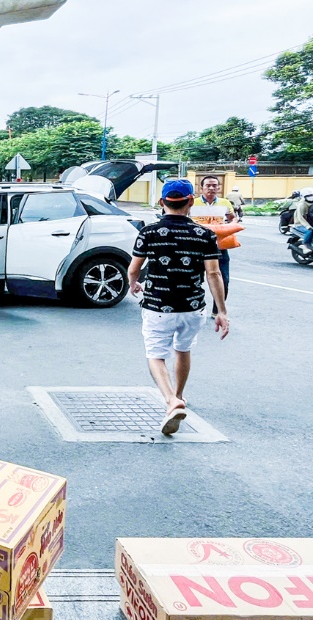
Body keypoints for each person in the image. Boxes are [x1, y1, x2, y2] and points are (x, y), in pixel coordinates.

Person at [128, 179, 229, 436]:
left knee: (156, 355)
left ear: (162, 203)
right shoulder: (205, 235)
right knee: (183, 349)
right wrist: (222, 312)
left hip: (158, 306)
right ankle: (180, 394)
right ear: (191, 203)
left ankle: (171, 400)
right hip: (192, 307)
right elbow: (214, 274)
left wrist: (133, 284)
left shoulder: (148, 232)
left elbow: (134, 269)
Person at [193, 175, 238, 316]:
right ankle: (194, 308)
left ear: (218, 188)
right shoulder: (192, 203)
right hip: (196, 248)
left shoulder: (225, 203)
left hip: (219, 247)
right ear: (201, 188)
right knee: (194, 280)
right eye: (208, 185)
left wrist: (230, 226)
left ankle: (217, 311)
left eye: (214, 185)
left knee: (223, 280)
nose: (211, 188)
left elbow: (233, 218)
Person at [295, 187, 313, 253]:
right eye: (308, 196)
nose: (310, 197)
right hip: (300, 224)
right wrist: (307, 226)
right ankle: (305, 245)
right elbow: (300, 218)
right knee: (310, 231)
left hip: (312, 223)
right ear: (304, 197)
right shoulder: (302, 205)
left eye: (311, 195)